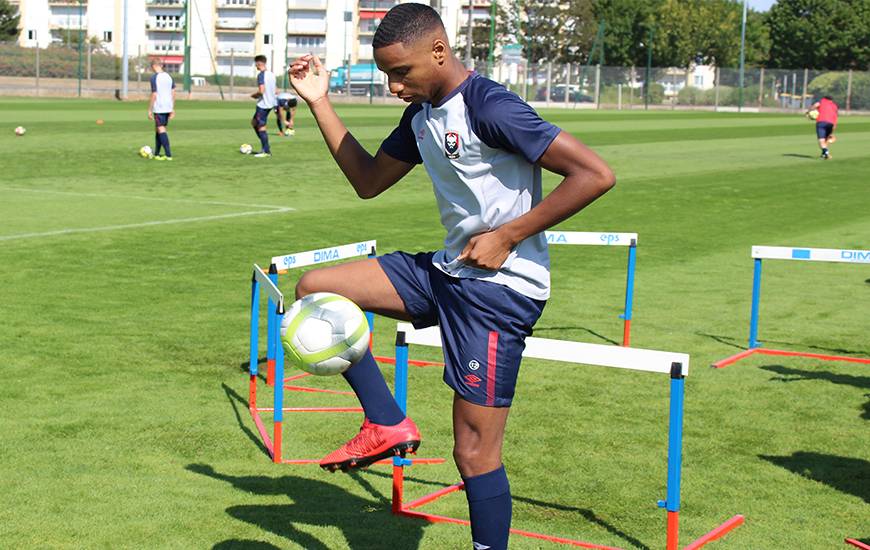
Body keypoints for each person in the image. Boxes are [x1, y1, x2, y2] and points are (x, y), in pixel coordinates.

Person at [288, 4, 614, 549]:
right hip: (450, 271)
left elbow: (595, 175)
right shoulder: (420, 115)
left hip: (500, 292)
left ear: (439, 52)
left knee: (474, 452)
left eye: (402, 72)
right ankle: (386, 422)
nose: (393, 85)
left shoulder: (491, 107)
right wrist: (319, 101)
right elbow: (368, 181)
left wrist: (508, 235)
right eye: (386, 74)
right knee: (315, 289)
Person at [148, 59, 175, 161]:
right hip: (168, 106)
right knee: (158, 129)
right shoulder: (169, 76)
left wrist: (150, 110)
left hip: (159, 107)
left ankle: (168, 155)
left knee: (161, 128)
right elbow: (173, 92)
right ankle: (157, 154)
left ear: (154, 66)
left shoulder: (154, 77)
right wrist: (172, 108)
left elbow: (154, 94)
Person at [250, 55, 277, 158]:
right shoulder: (272, 74)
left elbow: (261, 91)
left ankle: (266, 150)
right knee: (254, 123)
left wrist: (254, 95)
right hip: (270, 103)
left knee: (261, 126)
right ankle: (265, 146)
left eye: (255, 64)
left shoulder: (261, 75)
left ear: (259, 63)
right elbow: (275, 90)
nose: (255, 66)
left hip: (263, 105)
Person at [809, 95, 838, 159]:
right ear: (831, 100)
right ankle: (824, 154)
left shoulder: (822, 101)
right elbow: (835, 116)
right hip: (831, 124)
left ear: (824, 98)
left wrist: (810, 111)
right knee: (826, 140)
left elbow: (815, 105)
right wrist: (833, 128)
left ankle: (826, 152)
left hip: (821, 122)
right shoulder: (834, 105)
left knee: (821, 140)